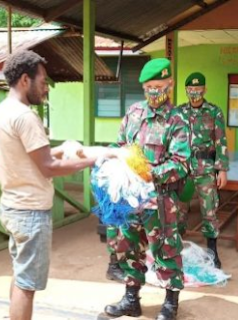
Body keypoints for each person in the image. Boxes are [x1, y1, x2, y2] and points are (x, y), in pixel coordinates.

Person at [0, 50, 96, 320]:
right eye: (43, 81)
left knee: (20, 273)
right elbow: (47, 166)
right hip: (31, 212)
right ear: (25, 79)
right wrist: (91, 160)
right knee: (28, 286)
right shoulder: (25, 117)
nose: (46, 87)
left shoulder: (0, 112)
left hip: (12, 206)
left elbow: (32, 157)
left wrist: (63, 149)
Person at [104, 58, 190, 320]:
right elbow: (120, 146)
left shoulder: (177, 120)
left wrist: (150, 172)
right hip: (131, 197)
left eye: (158, 86)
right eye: (148, 87)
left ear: (170, 84)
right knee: (129, 247)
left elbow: (181, 162)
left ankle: (170, 304)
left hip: (161, 199)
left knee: (166, 249)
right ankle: (131, 299)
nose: (153, 92)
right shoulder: (133, 113)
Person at [176, 72, 229, 268]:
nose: (194, 93)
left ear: (204, 90)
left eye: (198, 89)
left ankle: (213, 252)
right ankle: (177, 249)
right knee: (179, 210)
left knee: (209, 210)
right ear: (186, 90)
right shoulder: (179, 112)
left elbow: (221, 140)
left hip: (206, 169)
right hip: (182, 169)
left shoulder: (214, 111)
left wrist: (222, 169)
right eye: (191, 90)